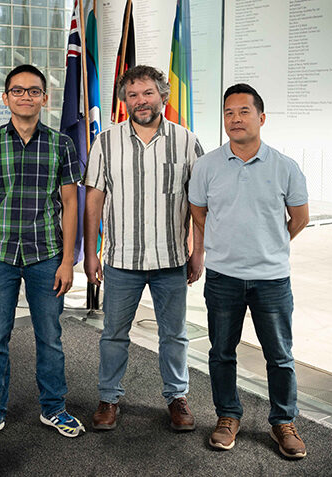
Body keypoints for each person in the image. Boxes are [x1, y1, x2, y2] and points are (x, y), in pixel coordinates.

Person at [188, 83, 310, 458]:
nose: (235, 119)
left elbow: (300, 219)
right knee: (222, 352)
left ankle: (283, 422)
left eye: (243, 111)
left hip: (271, 279)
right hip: (223, 277)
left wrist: (268, 245)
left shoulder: (285, 167)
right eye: (228, 113)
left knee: (280, 355)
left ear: (261, 117)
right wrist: (226, 245)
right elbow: (198, 212)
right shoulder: (207, 165)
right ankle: (227, 416)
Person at [0, 64, 85, 446]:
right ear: (6, 97)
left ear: (44, 99)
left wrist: (68, 260)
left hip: (46, 255)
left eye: (34, 91)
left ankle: (53, 408)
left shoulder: (61, 144)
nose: (26, 97)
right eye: (17, 91)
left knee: (49, 337)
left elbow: (71, 204)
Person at [83, 65, 205, 432]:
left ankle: (177, 398)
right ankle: (108, 398)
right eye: (133, 95)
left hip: (171, 260)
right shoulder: (106, 141)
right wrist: (91, 254)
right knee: (114, 334)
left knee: (174, 335)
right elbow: (93, 203)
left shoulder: (186, 141)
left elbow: (199, 203)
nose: (141, 101)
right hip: (122, 260)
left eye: (148, 93)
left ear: (162, 95)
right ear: (125, 101)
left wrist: (198, 252)